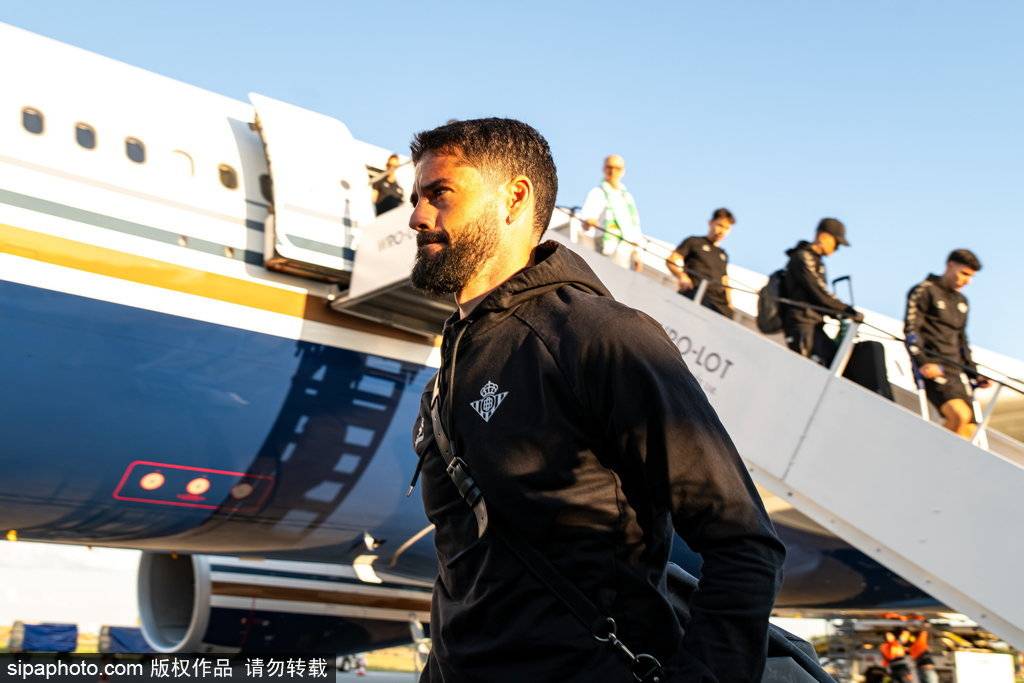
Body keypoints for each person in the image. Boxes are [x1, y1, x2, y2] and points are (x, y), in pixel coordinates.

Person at [406, 117, 785, 682]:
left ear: (514, 198)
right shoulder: (447, 376)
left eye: (439, 194)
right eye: (415, 198)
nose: (416, 216)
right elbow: (464, 573)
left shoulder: (599, 336)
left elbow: (743, 542)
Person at [904, 249, 989, 438]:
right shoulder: (924, 290)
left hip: (956, 373)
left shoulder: (962, 301)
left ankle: (942, 455)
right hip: (935, 367)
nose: (967, 281)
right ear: (950, 265)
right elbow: (911, 330)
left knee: (970, 430)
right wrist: (922, 362)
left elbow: (962, 341)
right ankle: (930, 455)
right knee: (959, 416)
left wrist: (974, 373)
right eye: (964, 273)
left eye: (971, 276)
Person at [781, 217, 862, 366]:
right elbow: (819, 292)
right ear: (823, 237)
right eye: (836, 243)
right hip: (802, 325)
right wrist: (846, 310)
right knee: (810, 369)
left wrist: (841, 313)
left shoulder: (817, 261)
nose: (837, 248)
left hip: (815, 325)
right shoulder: (803, 257)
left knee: (836, 361)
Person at [666, 208, 736, 318]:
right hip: (696, 293)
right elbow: (672, 259)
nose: (722, 231)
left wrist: (730, 304)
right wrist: (682, 276)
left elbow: (725, 280)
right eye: (720, 225)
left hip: (720, 305)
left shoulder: (723, 254)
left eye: (727, 228)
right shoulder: (694, 241)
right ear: (710, 223)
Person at [579, 154, 644, 270]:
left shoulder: (627, 198)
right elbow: (586, 218)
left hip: (625, 251)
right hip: (605, 247)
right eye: (609, 167)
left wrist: (637, 254)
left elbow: (635, 228)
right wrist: (589, 222)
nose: (613, 171)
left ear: (623, 171)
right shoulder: (598, 192)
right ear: (604, 169)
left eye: (617, 168)